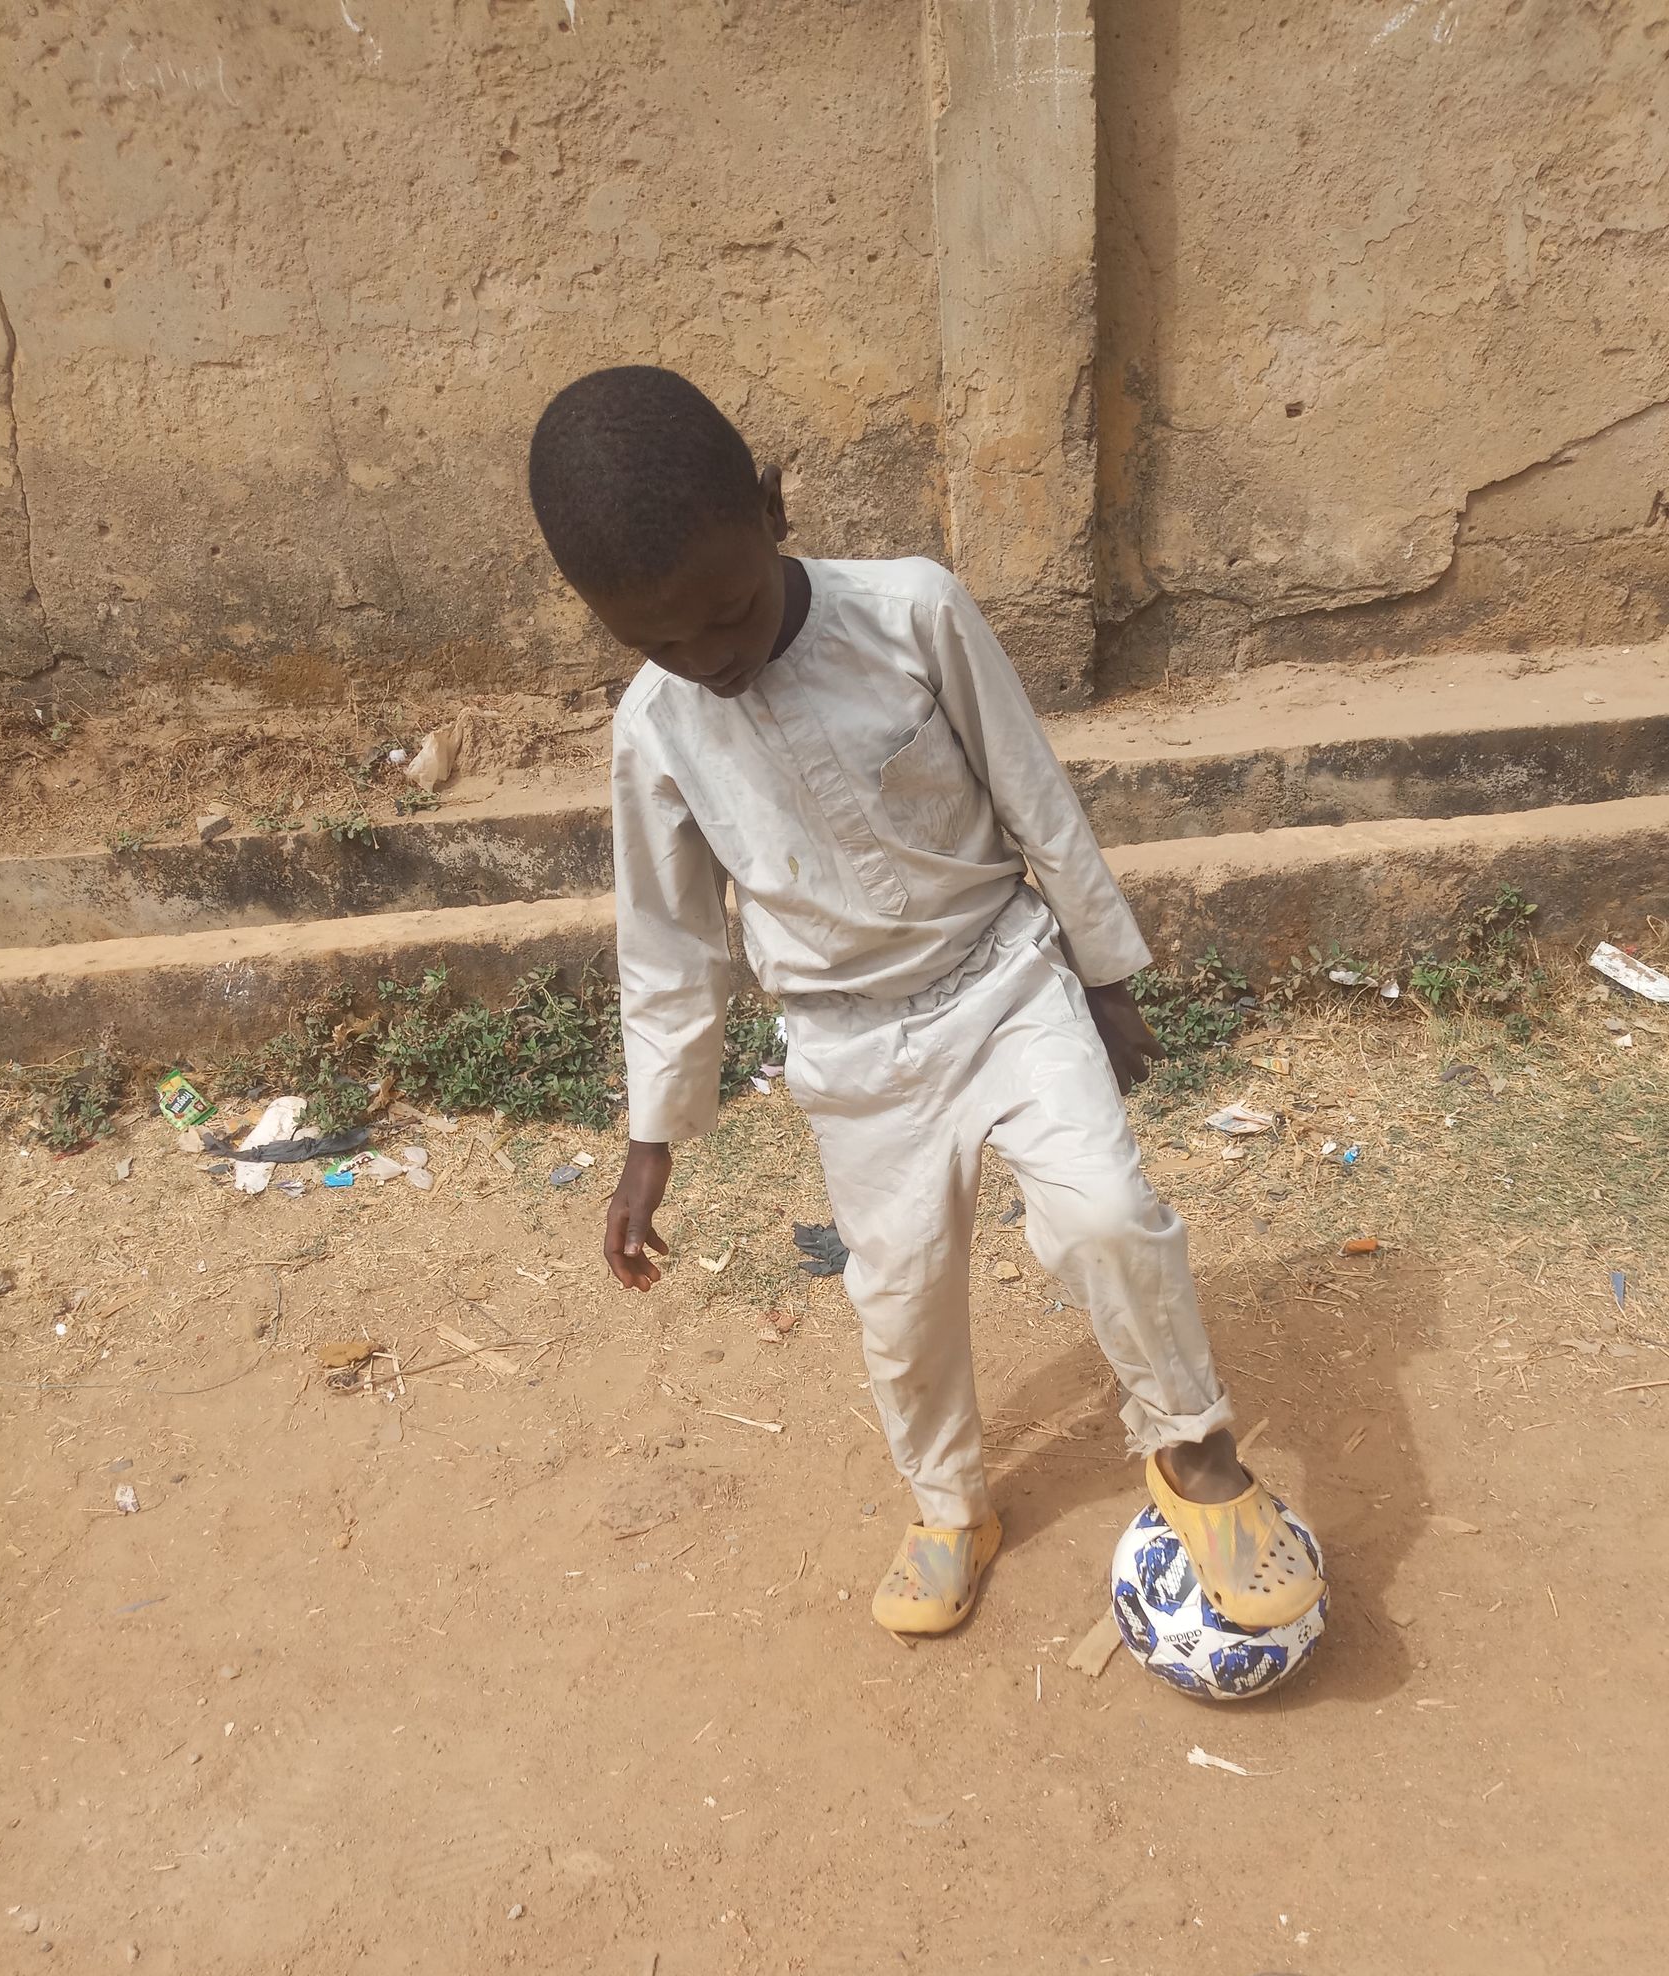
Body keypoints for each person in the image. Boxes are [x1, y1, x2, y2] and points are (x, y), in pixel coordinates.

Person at [527, 365, 1323, 1639]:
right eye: (659, 644)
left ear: (773, 510)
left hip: (1005, 979)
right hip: (851, 1051)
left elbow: (1032, 793)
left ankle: (1197, 1451)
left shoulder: (912, 610)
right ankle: (950, 1505)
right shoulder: (654, 729)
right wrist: (649, 1139)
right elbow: (669, 941)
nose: (709, 659)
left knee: (1108, 1213)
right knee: (900, 1306)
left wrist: (1104, 977)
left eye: (727, 613)